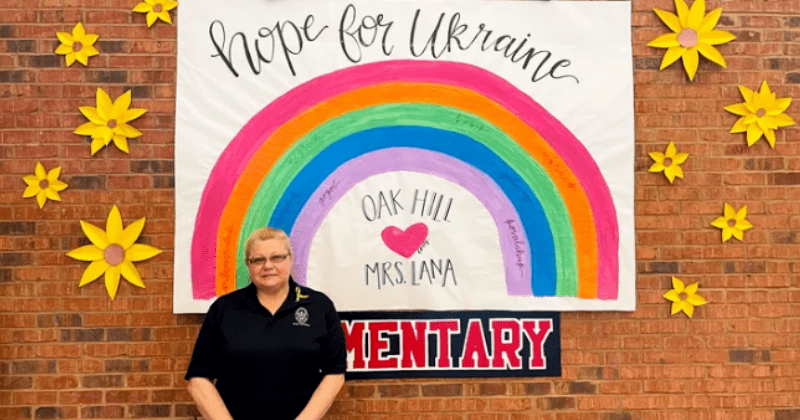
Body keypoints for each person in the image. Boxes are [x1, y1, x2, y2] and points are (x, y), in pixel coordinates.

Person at [185, 227, 346, 420]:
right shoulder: (224, 309)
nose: (268, 266)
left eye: (277, 257)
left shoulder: (319, 306)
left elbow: (335, 373)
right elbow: (199, 379)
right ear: (248, 265)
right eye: (258, 260)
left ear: (290, 259)